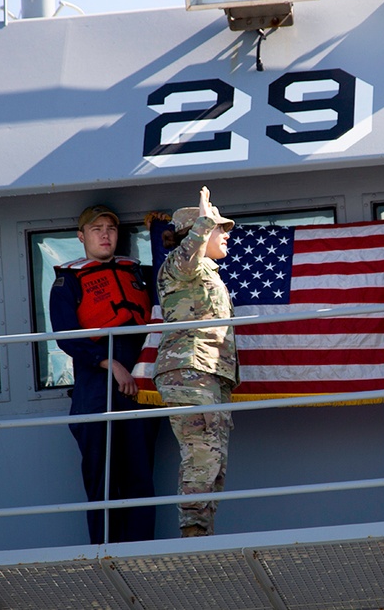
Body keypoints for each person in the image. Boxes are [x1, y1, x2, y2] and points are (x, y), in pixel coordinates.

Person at [49, 204, 159, 543]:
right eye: (96, 229)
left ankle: (142, 552)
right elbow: (65, 334)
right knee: (102, 477)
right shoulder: (67, 282)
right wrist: (108, 363)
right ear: (82, 237)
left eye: (110, 227)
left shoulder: (140, 274)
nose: (105, 234)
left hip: (140, 378)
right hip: (95, 383)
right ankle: (105, 554)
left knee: (140, 474)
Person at [154, 187, 238, 537]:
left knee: (214, 459)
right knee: (201, 454)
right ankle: (192, 535)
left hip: (209, 373)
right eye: (221, 228)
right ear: (198, 232)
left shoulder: (207, 271)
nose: (226, 234)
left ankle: (202, 533)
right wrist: (204, 221)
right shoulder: (180, 265)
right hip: (190, 370)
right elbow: (188, 257)